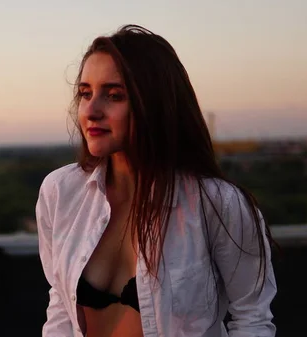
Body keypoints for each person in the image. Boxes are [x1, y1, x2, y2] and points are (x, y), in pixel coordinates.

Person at [35, 24, 277, 337]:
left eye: (114, 95)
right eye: (85, 94)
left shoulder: (218, 204)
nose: (91, 110)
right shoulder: (60, 191)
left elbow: (252, 319)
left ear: (155, 102)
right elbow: (60, 308)